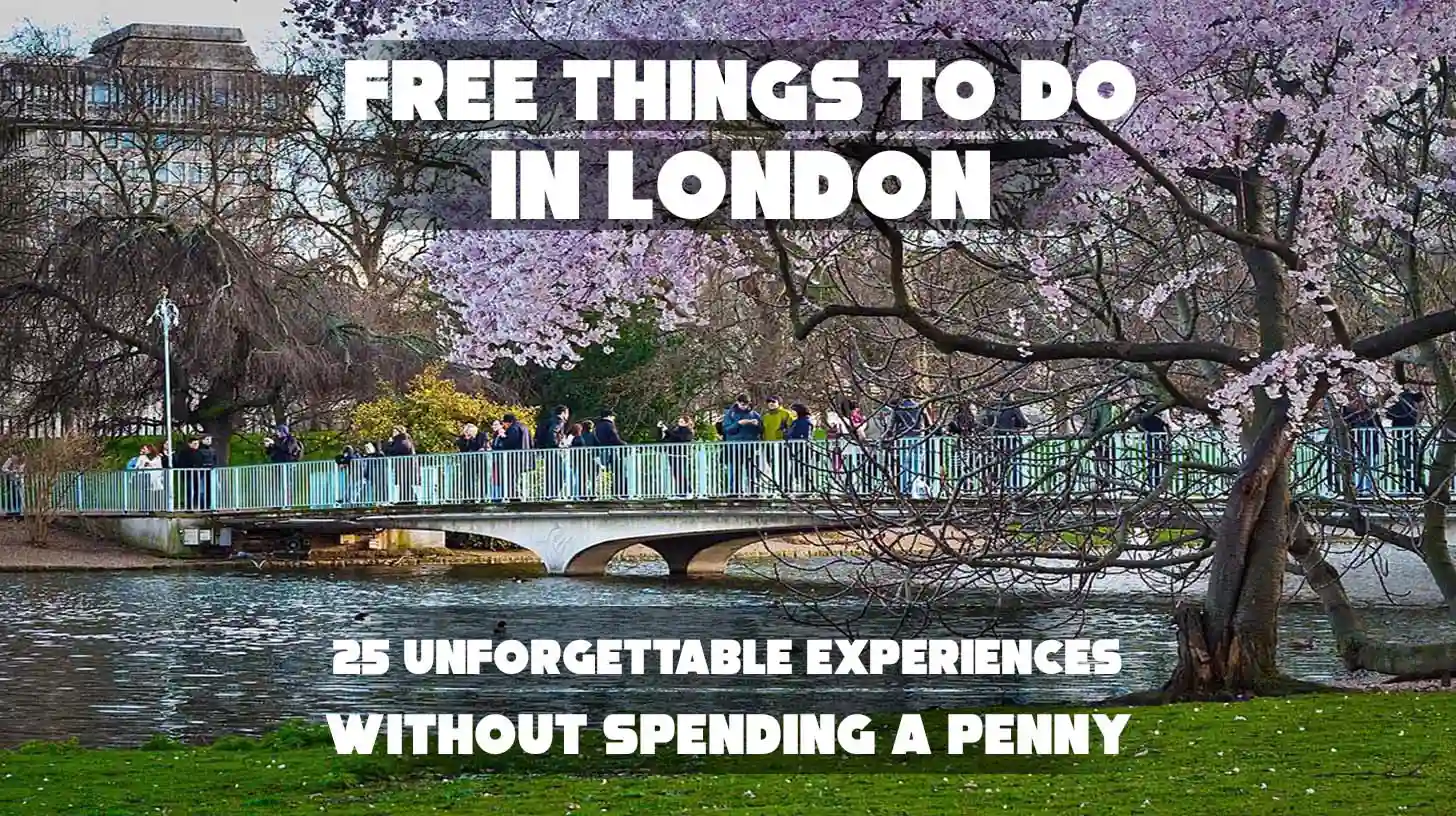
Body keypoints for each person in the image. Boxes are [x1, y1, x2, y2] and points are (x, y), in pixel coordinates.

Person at [1387, 384, 1424, 495]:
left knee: (1405, 460)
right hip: (1410, 433)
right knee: (1411, 460)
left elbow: (1393, 413)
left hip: (1403, 434)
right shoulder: (1411, 399)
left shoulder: (1402, 398)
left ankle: (1408, 487)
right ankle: (1412, 486)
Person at [722, 394, 763, 496]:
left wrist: (757, 425)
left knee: (752, 470)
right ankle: (734, 491)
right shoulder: (730, 414)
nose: (743, 406)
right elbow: (727, 430)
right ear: (737, 402)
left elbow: (761, 430)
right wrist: (739, 423)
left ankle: (754, 491)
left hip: (750, 447)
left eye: (746, 404)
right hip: (734, 447)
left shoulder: (755, 415)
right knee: (735, 470)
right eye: (742, 404)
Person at [1134, 399, 1171, 491]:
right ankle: (1155, 483)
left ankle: (1155, 483)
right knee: (1156, 461)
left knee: (1155, 461)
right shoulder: (1150, 409)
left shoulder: (1143, 409)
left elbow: (1138, 424)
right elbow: (1166, 424)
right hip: (1156, 436)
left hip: (1154, 436)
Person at [494, 413, 530, 501]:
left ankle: (514, 496)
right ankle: (517, 495)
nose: (504, 426)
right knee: (517, 477)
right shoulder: (524, 427)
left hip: (513, 458)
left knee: (511, 477)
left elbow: (510, 443)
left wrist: (502, 438)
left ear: (508, 422)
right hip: (523, 456)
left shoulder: (513, 429)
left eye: (504, 424)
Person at [535, 406, 569, 499]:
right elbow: (552, 432)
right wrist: (557, 445)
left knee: (550, 473)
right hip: (554, 451)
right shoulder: (559, 420)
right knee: (561, 473)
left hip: (546, 451)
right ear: (563, 413)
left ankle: (549, 494)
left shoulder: (547, 421)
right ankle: (555, 494)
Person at [660, 415, 696, 497]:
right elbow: (668, 438)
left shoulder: (688, 431)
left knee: (679, 473)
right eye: (679, 422)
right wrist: (663, 430)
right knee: (676, 474)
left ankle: (686, 491)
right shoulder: (676, 430)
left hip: (681, 454)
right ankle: (682, 492)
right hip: (672, 453)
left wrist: (668, 431)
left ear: (687, 423)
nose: (680, 424)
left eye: (682, 422)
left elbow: (681, 439)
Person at [593, 409, 626, 497]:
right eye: (613, 416)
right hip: (611, 451)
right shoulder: (609, 425)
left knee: (601, 471)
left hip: (602, 450)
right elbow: (615, 438)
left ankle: (598, 492)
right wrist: (624, 444)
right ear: (609, 416)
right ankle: (620, 492)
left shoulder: (598, 426)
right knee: (619, 471)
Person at [385, 426, 418, 503]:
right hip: (402, 466)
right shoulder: (400, 440)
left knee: (405, 483)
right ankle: (406, 499)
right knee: (403, 484)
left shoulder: (403, 440)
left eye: (395, 431)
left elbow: (395, 450)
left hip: (406, 466)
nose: (393, 433)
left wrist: (390, 444)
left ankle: (410, 500)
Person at [572, 419, 598, 498]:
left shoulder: (579, 436)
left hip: (581, 460)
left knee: (583, 478)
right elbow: (598, 445)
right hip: (591, 459)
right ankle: (593, 493)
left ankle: (582, 494)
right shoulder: (593, 435)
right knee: (593, 477)